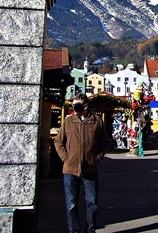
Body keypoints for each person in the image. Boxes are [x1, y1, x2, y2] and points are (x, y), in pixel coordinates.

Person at [54, 94, 109, 233]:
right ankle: (74, 231)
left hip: (90, 169)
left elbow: (104, 142)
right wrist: (65, 158)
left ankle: (90, 230)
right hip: (70, 169)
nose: (74, 108)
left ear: (86, 106)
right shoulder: (68, 121)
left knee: (92, 203)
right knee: (71, 204)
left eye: (77, 105)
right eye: (73, 105)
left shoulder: (96, 121)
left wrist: (97, 158)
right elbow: (58, 141)